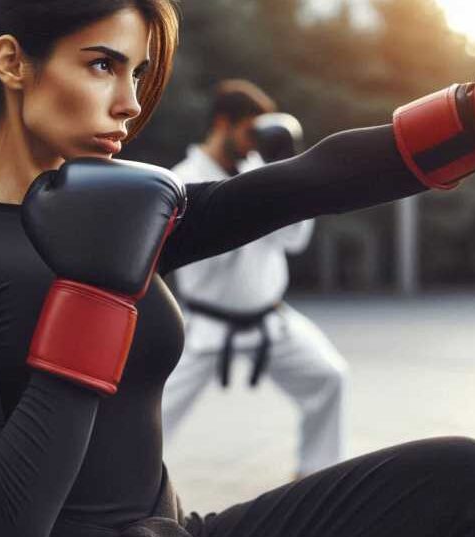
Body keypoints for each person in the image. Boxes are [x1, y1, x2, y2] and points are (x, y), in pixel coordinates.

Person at [0, 1, 475, 536]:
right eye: (103, 65)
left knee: (470, 478)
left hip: (180, 528)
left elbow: (300, 182)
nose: (130, 102)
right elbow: (10, 506)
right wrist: (93, 288)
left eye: (139, 72)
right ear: (11, 63)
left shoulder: (123, 206)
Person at [162, 81, 348, 478]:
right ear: (223, 123)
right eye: (250, 131)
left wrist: (291, 178)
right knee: (150, 415)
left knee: (329, 377)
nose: (253, 143)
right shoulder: (183, 180)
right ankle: (121, 497)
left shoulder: (259, 171)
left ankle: (316, 476)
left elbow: (294, 241)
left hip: (271, 320)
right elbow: (199, 262)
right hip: (205, 327)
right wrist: (247, 199)